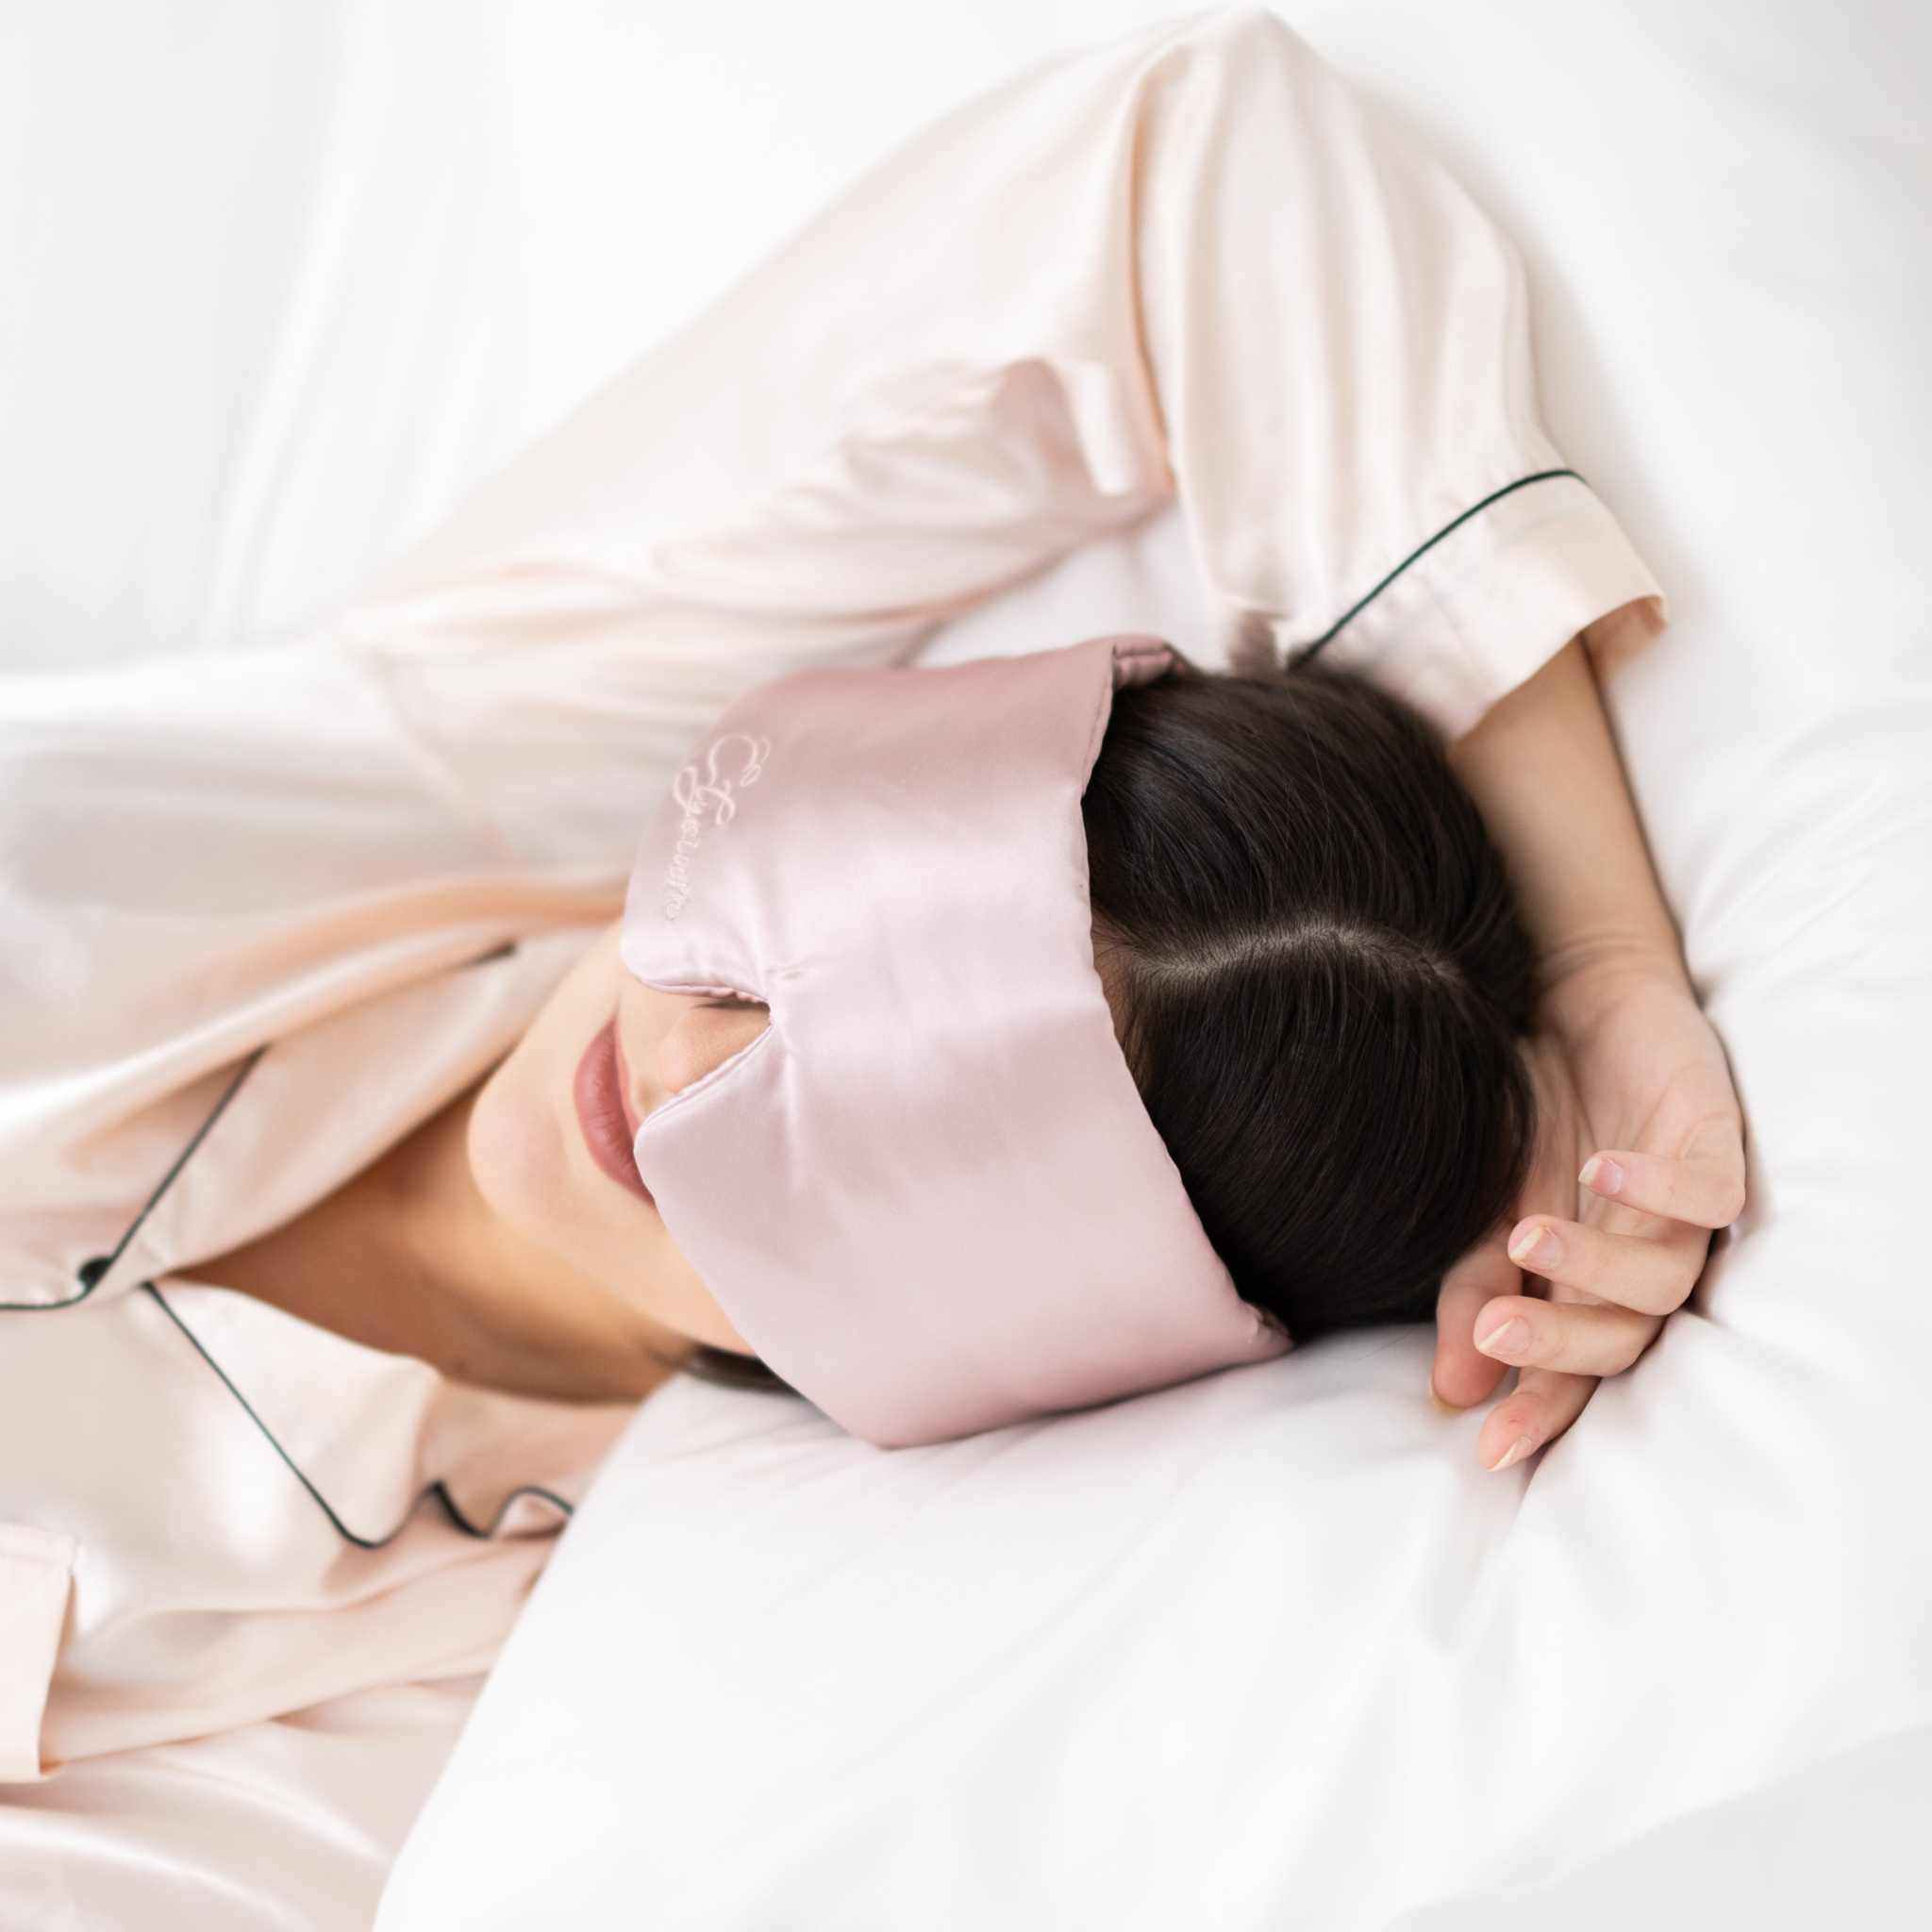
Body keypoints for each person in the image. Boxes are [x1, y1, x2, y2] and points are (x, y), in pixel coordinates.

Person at [0, 5, 1745, 1921]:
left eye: (870, 1133)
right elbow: (1195, 161)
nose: (684, 1080)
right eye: (785, 932)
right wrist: (1596, 961)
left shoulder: (422, 1685)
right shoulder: (454, 760)